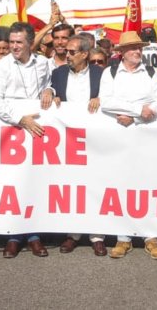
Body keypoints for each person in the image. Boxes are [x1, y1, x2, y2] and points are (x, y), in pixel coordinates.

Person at [98, 30, 157, 260]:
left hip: (146, 136)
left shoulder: (150, 72)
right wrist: (139, 109)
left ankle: (150, 236)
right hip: (119, 137)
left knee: (147, 184)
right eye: (132, 48)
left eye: (138, 47)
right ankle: (123, 238)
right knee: (121, 185)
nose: (137, 51)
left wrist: (138, 116)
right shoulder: (110, 72)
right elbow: (107, 102)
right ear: (121, 53)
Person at [0, 21, 51, 258]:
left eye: (18, 42)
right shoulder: (3, 66)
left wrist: (50, 91)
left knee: (34, 183)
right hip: (12, 129)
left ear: (30, 43)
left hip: (36, 130)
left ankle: (34, 235)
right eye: (11, 42)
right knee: (13, 184)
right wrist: (19, 119)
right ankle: (13, 236)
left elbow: (49, 86)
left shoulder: (43, 63)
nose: (14, 46)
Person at [46, 34, 107, 256]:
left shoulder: (102, 74)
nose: (67, 55)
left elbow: (113, 96)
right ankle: (73, 234)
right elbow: (52, 88)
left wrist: (102, 98)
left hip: (96, 140)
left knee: (95, 184)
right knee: (73, 186)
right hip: (69, 142)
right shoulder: (58, 73)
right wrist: (50, 92)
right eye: (66, 52)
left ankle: (97, 235)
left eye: (72, 52)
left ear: (85, 54)